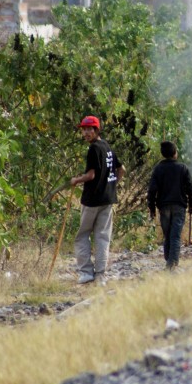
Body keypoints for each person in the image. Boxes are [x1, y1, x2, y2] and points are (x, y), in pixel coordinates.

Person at [70, 116, 125, 286]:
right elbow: (121, 169)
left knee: (82, 236)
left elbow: (91, 175)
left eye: (89, 129)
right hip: (107, 200)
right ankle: (101, 275)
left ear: (96, 130)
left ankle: (86, 272)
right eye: (84, 130)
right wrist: (112, 185)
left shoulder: (94, 149)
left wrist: (76, 180)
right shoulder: (107, 147)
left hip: (92, 200)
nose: (86, 133)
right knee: (102, 236)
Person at [147, 141, 192, 270]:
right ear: (175, 153)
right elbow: (191, 188)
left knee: (167, 235)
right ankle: (172, 263)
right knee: (175, 236)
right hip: (179, 207)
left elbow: (152, 190)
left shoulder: (158, 169)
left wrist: (152, 208)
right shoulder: (183, 168)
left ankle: (169, 260)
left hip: (163, 207)